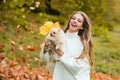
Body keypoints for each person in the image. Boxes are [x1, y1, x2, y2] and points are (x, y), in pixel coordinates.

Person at [40, 11, 93, 80]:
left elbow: (79, 67)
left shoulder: (82, 43)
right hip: (59, 76)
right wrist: (45, 48)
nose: (75, 21)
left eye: (79, 21)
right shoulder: (57, 37)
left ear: (82, 27)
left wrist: (61, 53)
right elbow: (47, 60)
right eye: (73, 18)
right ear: (70, 21)